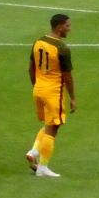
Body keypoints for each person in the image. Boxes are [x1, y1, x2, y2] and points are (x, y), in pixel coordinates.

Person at [25, 13, 76, 179]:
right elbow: (67, 76)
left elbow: (31, 68)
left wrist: (37, 86)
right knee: (53, 128)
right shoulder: (62, 48)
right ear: (60, 26)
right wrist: (73, 98)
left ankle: (34, 151)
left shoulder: (38, 41)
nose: (69, 28)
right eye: (67, 26)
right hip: (53, 91)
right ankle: (42, 168)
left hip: (39, 88)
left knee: (49, 124)